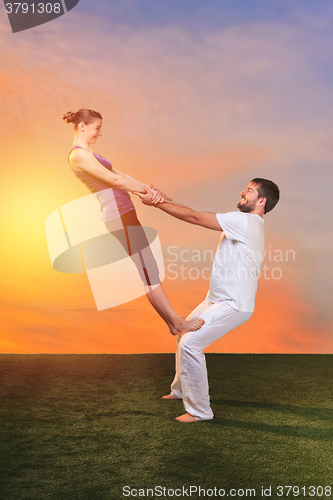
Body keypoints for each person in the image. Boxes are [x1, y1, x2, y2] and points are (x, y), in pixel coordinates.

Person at [137, 178, 280, 422]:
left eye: (249, 191)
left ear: (262, 201)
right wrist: (162, 198)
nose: (242, 192)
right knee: (184, 333)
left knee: (190, 343)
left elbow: (194, 217)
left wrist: (157, 204)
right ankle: (180, 391)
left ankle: (200, 411)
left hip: (234, 304)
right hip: (216, 300)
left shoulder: (246, 222)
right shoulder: (244, 222)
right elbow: (192, 214)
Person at [62, 108, 204, 334]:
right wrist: (147, 194)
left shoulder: (90, 154)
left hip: (125, 213)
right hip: (117, 216)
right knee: (148, 269)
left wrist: (150, 190)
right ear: (82, 126)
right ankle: (177, 323)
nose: (99, 133)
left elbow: (122, 175)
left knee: (147, 268)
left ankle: (172, 323)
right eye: (97, 128)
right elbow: (112, 180)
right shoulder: (77, 155)